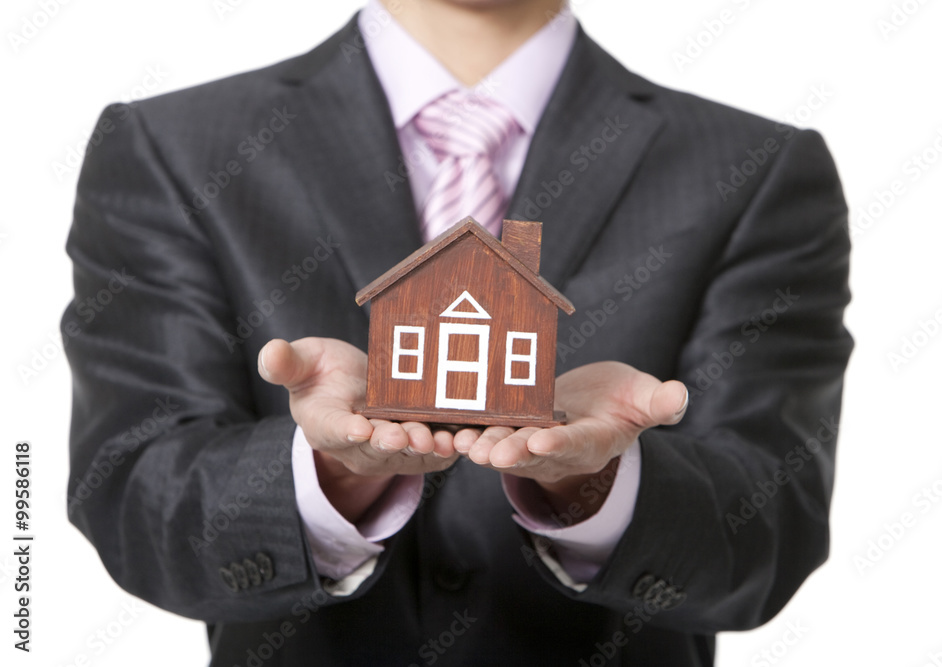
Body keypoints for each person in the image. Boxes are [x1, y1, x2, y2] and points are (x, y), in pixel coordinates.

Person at [62, 0, 853, 664]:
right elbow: (132, 492)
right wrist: (333, 475)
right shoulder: (171, 149)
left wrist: (596, 485)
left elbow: (770, 528)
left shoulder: (758, 170)